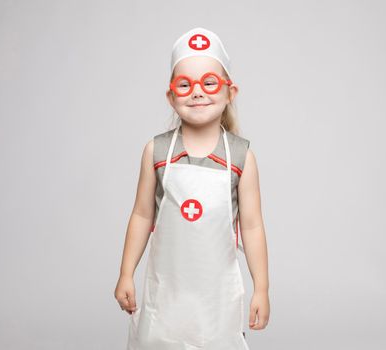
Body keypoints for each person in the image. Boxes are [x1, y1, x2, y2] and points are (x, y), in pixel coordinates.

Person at [114, 27, 270, 349]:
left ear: (230, 92)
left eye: (209, 83)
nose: (197, 92)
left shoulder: (242, 157)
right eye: (185, 85)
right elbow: (142, 216)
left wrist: (262, 289)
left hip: (217, 299)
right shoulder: (156, 152)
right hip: (167, 293)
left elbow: (252, 227)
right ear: (171, 97)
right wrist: (126, 272)